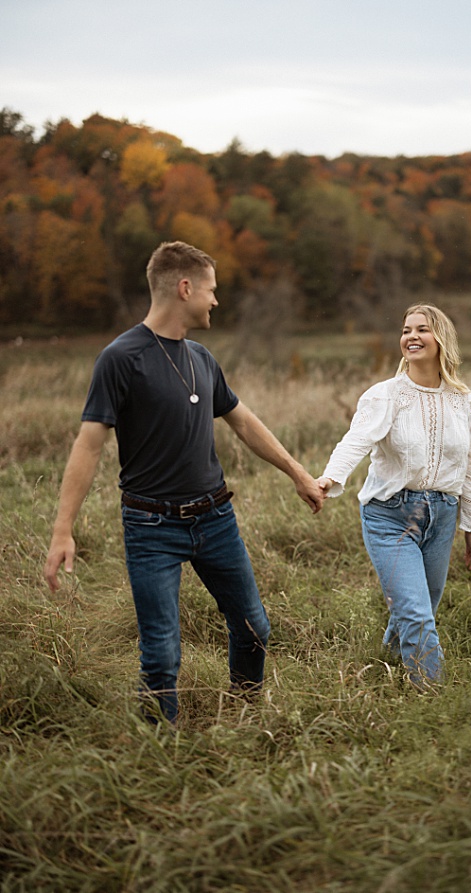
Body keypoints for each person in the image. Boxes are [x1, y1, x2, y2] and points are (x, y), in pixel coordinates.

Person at [43, 241, 325, 723]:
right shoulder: (120, 358)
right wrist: (62, 529)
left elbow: (242, 420)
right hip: (151, 527)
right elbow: (88, 445)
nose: (216, 301)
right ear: (185, 287)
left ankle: (245, 715)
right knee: (161, 654)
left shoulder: (201, 357)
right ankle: (161, 752)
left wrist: (297, 472)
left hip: (215, 518)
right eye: (211, 290)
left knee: (254, 628)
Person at [317, 303, 471, 690]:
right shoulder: (385, 396)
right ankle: (432, 696)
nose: (411, 336)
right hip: (390, 516)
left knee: (420, 607)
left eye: (422, 329)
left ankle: (386, 666)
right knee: (416, 614)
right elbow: (357, 440)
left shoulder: (465, 402)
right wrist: (331, 476)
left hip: (442, 516)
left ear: (441, 339)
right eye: (406, 329)